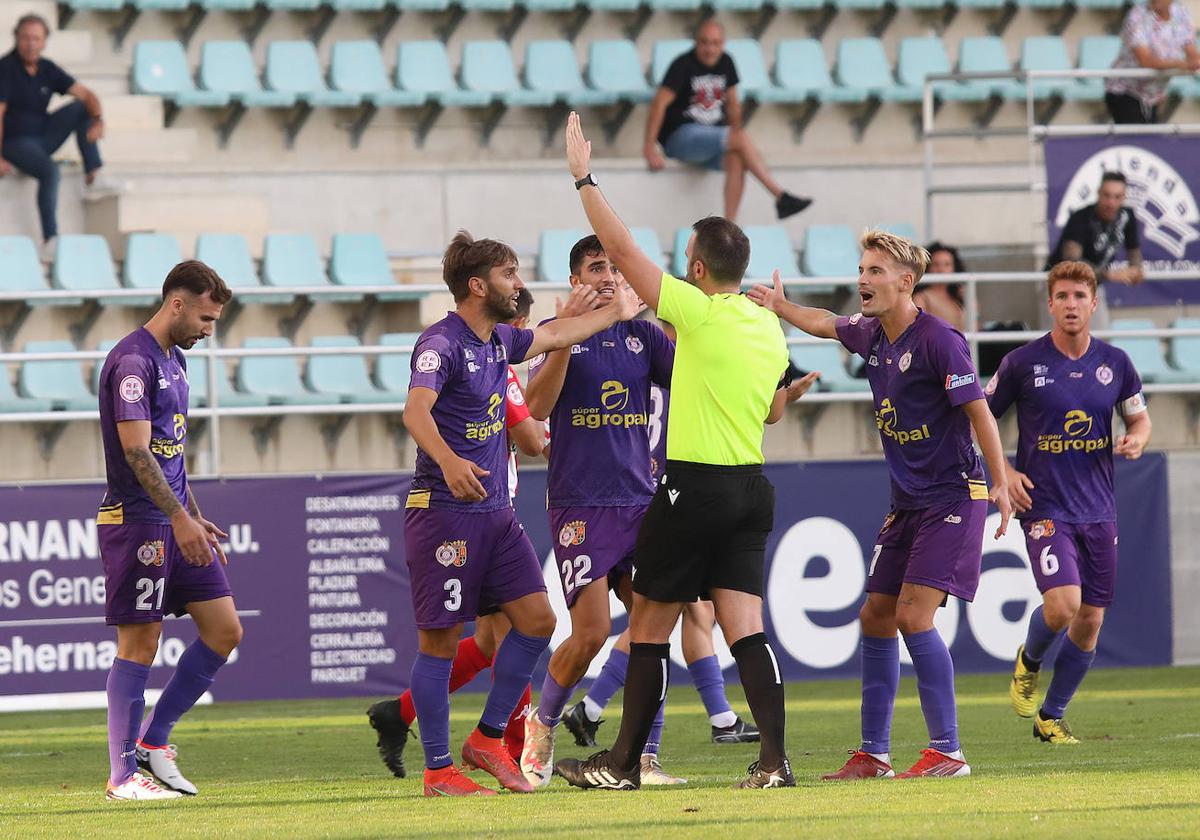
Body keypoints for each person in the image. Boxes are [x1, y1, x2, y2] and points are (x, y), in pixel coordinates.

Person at [554, 112, 797, 792]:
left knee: (652, 626)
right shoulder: (767, 327)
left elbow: (622, 248)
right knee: (746, 626)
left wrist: (584, 177)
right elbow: (773, 405)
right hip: (752, 489)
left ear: (696, 268)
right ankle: (775, 764)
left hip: (693, 487)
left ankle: (622, 765)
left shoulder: (697, 310)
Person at [748, 230, 1013, 780]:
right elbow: (824, 321)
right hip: (909, 502)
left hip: (953, 495)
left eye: (874, 271)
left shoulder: (941, 340)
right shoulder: (871, 335)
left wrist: (1001, 481)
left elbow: (980, 415)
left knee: (913, 616)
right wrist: (779, 306)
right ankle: (874, 753)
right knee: (875, 616)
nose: (862, 280)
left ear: (905, 281)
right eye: (861, 269)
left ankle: (948, 752)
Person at [401, 230, 639, 797]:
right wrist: (450, 460)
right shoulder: (440, 343)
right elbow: (415, 412)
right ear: (478, 285)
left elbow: (559, 332)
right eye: (510, 275)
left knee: (537, 621)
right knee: (438, 642)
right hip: (443, 510)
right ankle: (438, 771)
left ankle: (486, 740)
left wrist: (613, 313)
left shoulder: (498, 341)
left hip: (495, 513)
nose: (520, 285)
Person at [518, 233, 690, 787]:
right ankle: (540, 728)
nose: (610, 277)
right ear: (575, 281)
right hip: (581, 503)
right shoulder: (551, 332)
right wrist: (568, 335)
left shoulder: (644, 334)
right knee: (591, 632)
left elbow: (693, 383)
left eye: (616, 267)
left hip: (640, 499)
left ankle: (643, 756)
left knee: (653, 626)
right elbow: (538, 407)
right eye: (597, 268)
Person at [366, 288, 544, 779]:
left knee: (503, 635)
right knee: (486, 637)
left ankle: (410, 715)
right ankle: (494, 747)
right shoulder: (492, 363)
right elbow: (531, 439)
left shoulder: (494, 354)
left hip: (495, 510)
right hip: (461, 509)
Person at [986, 261, 1151, 745]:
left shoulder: (1116, 364)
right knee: (1062, 605)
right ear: (1051, 303)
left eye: (1080, 295)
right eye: (1063, 296)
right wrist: (1005, 473)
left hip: (1099, 509)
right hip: (1044, 505)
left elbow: (1139, 419)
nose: (1072, 304)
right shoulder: (1021, 363)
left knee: (1091, 619)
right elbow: (979, 417)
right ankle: (1029, 661)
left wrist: (1137, 438)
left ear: (1094, 302)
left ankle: (1051, 716)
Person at [98, 261, 241, 801]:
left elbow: (169, 454)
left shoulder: (174, 362)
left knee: (225, 630)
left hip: (174, 519)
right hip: (137, 522)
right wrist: (178, 517)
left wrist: (192, 512)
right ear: (177, 304)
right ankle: (121, 777)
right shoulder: (133, 361)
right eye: (205, 318)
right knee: (140, 643)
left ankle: (154, 745)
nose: (209, 329)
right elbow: (136, 451)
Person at [645, 19, 811, 223]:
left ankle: (729, 224)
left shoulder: (726, 62)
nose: (710, 49)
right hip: (680, 137)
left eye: (715, 43)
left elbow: (733, 104)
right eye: (704, 42)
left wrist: (737, 140)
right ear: (696, 42)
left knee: (737, 158)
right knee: (738, 139)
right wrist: (649, 148)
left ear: (723, 44)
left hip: (711, 141)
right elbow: (658, 104)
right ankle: (780, 195)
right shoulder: (683, 64)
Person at [0, 13, 109, 253]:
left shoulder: (47, 68)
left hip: (43, 136)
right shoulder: (5, 68)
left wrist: (98, 120)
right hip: (14, 141)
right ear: (16, 38)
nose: (30, 43)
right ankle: (50, 239)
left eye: (36, 38)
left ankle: (94, 174)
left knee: (82, 108)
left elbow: (87, 95)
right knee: (50, 171)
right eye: (25, 38)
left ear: (44, 41)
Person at [1047, 172, 1144, 326]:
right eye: (1107, 195)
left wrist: (1136, 269)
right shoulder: (1081, 218)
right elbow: (1072, 261)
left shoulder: (1127, 216)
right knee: (1059, 342)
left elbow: (1134, 251)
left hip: (1091, 285)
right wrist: (1109, 274)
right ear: (1098, 193)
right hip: (1059, 284)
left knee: (1099, 339)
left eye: (1117, 197)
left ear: (1124, 197)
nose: (1111, 202)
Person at [1106, 0, 1200, 124]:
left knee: (1149, 140)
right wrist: (1181, 64)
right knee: (1137, 140)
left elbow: (1190, 48)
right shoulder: (1137, 16)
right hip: (1125, 91)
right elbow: (1146, 61)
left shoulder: (1181, 12)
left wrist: (1194, 61)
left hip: (1154, 95)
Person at [914, 242, 965, 331]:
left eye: (947, 264)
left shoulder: (960, 295)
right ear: (928, 267)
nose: (941, 269)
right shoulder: (922, 298)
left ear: (954, 267)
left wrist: (968, 301)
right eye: (936, 264)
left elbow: (974, 327)